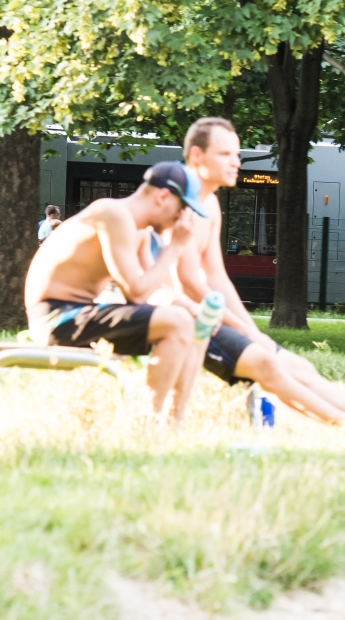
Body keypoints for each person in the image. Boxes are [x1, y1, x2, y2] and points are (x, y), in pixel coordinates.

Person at [160, 117, 345, 425]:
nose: (236, 162)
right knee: (269, 363)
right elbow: (186, 282)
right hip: (181, 319)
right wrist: (246, 330)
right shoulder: (179, 205)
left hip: (203, 315)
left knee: (301, 368)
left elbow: (215, 276)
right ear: (198, 156)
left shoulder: (209, 204)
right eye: (225, 154)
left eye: (237, 154)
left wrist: (249, 327)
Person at [23, 162, 209, 426]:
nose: (181, 220)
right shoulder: (113, 214)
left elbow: (152, 289)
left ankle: (173, 424)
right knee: (177, 323)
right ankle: (151, 425)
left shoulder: (140, 231)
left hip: (80, 313)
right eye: (182, 210)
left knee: (191, 322)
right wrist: (176, 246)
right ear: (163, 196)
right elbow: (136, 291)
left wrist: (193, 308)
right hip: (56, 317)